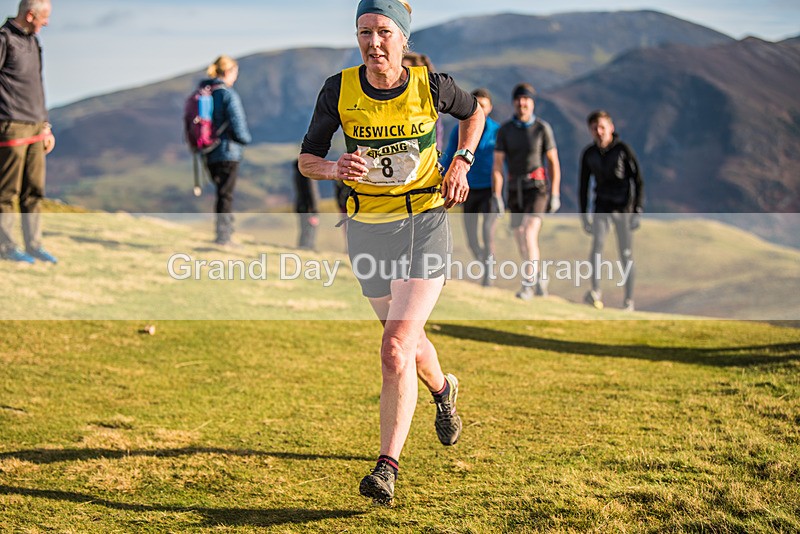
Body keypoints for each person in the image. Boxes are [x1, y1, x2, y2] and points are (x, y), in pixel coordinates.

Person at [298, 0, 484, 505]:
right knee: (405, 338)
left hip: (424, 223)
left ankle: (386, 468)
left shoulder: (431, 85)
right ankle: (444, 392)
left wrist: (462, 162)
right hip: (367, 228)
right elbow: (307, 159)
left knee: (394, 347)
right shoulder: (338, 89)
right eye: (364, 32)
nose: (373, 42)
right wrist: (335, 169)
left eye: (383, 32)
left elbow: (477, 113)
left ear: (403, 38)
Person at [0, 0, 56, 264]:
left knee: (34, 191)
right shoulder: (3, 40)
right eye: (44, 17)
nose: (46, 23)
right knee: (6, 192)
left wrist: (45, 126)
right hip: (11, 126)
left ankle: (33, 245)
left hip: (36, 127)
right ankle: (7, 247)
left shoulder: (34, 43)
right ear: (30, 14)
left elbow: (38, 86)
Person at [493, 83, 562, 299]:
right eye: (519, 100)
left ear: (532, 103)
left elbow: (553, 163)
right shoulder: (505, 131)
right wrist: (497, 195)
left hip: (537, 188)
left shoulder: (542, 129)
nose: (522, 103)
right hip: (515, 190)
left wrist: (555, 193)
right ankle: (538, 275)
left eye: (526, 100)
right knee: (519, 237)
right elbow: (498, 165)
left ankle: (528, 284)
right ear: (514, 102)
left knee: (528, 232)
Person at [579, 110, 644, 312]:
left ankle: (629, 301)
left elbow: (638, 180)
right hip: (601, 207)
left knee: (625, 254)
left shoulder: (623, 150)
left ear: (611, 128)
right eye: (594, 128)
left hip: (623, 208)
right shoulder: (589, 154)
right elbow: (583, 185)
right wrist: (584, 215)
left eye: (602, 127)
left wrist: (637, 210)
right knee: (596, 248)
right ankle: (596, 292)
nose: (599, 132)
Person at [441, 88, 500, 286]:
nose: (481, 109)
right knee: (472, 238)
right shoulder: (460, 130)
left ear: (490, 107)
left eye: (484, 105)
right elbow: (449, 154)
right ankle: (485, 263)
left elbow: (505, 163)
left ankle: (488, 278)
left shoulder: (498, 132)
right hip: (468, 189)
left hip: (490, 190)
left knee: (487, 232)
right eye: (477, 105)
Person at [196, 55, 251, 247]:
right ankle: (224, 236)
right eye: (235, 72)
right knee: (226, 194)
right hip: (228, 151)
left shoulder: (205, 92)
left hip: (208, 151)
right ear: (228, 72)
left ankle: (222, 233)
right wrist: (245, 140)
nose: (235, 77)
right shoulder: (228, 94)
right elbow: (237, 123)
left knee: (221, 193)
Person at [292, 159, 320, 250]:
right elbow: (312, 193)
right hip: (308, 209)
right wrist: (314, 212)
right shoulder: (307, 176)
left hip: (301, 206)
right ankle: (307, 249)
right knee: (309, 231)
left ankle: (302, 248)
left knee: (304, 230)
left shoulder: (297, 173)